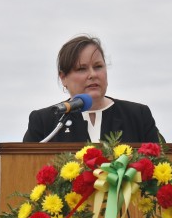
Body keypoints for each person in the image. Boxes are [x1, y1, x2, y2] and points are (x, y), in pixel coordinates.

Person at [23, 35, 162, 143]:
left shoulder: (137, 116)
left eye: (98, 67)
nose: (93, 74)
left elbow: (164, 165)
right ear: (63, 77)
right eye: (82, 69)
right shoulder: (44, 121)